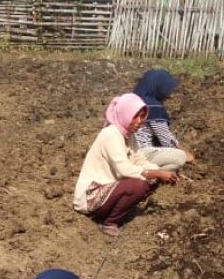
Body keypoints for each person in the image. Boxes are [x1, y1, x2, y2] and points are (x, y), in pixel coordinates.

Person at [74, 93, 177, 237]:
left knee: (151, 180)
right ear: (125, 114)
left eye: (142, 117)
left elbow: (139, 161)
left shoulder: (129, 135)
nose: (140, 121)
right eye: (136, 116)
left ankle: (118, 210)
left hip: (110, 189)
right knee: (138, 184)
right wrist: (158, 173)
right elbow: (123, 169)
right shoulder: (111, 134)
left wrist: (160, 172)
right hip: (92, 195)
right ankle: (109, 222)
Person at [131, 69, 192, 171]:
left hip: (124, 152)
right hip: (140, 154)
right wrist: (187, 155)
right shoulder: (153, 107)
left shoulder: (131, 101)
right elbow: (167, 141)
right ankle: (150, 176)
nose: (169, 95)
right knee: (180, 158)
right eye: (166, 89)